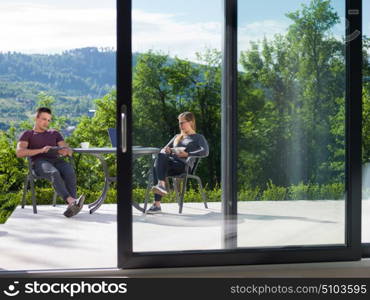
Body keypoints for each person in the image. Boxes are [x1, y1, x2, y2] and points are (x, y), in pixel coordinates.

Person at [16, 107, 84, 218]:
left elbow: (66, 148)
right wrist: (41, 150)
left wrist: (65, 151)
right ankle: (71, 201)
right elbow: (19, 152)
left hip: (56, 160)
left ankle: (72, 206)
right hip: (39, 163)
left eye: (48, 120)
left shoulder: (54, 133)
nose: (46, 122)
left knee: (69, 171)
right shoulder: (28, 134)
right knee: (54, 173)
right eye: (44, 119)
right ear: (36, 118)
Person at [147, 112, 209, 214]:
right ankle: (161, 186)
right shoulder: (177, 136)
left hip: (183, 166)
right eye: (179, 123)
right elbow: (164, 149)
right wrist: (169, 150)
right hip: (171, 164)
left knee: (156, 167)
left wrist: (187, 154)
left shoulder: (198, 137)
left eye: (182, 123)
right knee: (160, 157)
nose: (180, 126)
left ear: (191, 122)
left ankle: (157, 203)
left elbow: (205, 152)